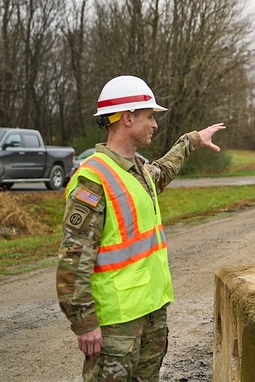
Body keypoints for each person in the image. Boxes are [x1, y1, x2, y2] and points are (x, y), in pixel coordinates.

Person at [56, 75, 225, 381]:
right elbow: (73, 257)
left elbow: (161, 171)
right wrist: (84, 322)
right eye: (150, 117)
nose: (155, 124)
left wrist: (192, 140)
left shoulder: (138, 171)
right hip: (117, 323)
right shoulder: (92, 178)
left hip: (151, 312)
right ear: (128, 118)